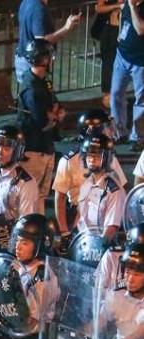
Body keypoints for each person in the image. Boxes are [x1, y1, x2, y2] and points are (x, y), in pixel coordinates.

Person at [17, 38, 63, 213]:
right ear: (45, 59)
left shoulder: (43, 83)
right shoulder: (31, 88)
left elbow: (57, 109)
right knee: (30, 197)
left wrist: (54, 116)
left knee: (41, 197)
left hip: (45, 147)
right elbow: (43, 122)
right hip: (34, 151)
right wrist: (53, 117)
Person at [0, 126, 38, 254]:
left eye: (6, 148)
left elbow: (25, 221)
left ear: (16, 151)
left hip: (10, 242)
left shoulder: (26, 182)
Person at [17, 0, 81, 85]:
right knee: (37, 94)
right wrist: (66, 28)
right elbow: (42, 42)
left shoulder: (27, 2)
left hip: (23, 58)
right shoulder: (39, 9)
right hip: (34, 64)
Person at [75, 133, 126, 239]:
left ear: (107, 158)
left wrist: (99, 248)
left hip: (104, 246)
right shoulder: (86, 185)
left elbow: (111, 229)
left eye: (97, 156)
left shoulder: (114, 191)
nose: (92, 159)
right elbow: (81, 217)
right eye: (89, 155)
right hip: (84, 243)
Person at [112, 0, 144, 151]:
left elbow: (140, 29)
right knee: (116, 93)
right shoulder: (127, 3)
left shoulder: (135, 5)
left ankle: (137, 137)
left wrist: (132, 7)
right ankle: (119, 132)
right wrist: (121, 36)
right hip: (122, 55)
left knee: (141, 101)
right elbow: (123, 20)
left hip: (141, 61)